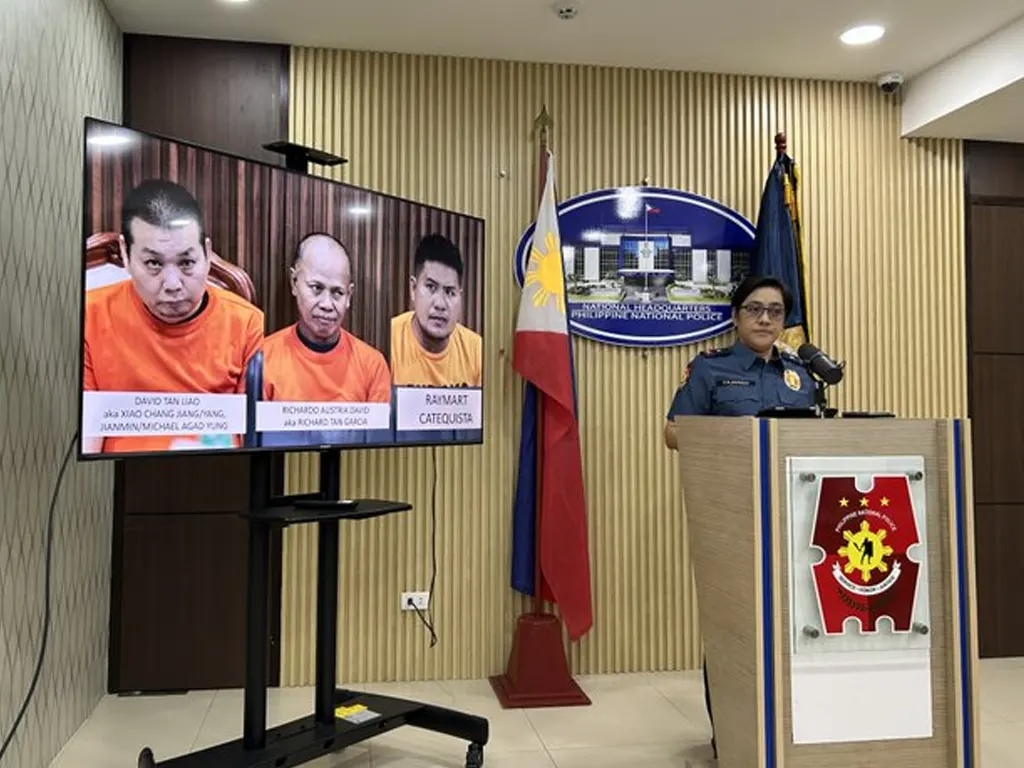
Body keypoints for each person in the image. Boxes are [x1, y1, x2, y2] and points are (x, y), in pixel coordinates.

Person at [663, 274, 817, 760]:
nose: (765, 319)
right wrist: (733, 440)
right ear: (736, 316)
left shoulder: (801, 374)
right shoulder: (711, 369)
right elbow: (672, 432)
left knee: (796, 630)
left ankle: (788, 732)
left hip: (799, 524)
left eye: (775, 311)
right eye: (754, 309)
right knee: (734, 630)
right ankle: (729, 734)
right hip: (734, 520)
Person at [82, 179, 263, 454]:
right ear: (125, 255)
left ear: (206, 253)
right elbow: (86, 441)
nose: (173, 284)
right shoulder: (89, 315)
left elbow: (252, 443)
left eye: (186, 262)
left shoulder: (248, 324)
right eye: (153, 263)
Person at [261, 233, 392, 447]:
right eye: (316, 288)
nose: (327, 305)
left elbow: (376, 452)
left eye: (337, 292)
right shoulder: (263, 359)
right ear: (294, 283)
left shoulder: (373, 365)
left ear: (349, 296)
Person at [390, 234, 482, 388]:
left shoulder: (476, 351)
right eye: (431, 287)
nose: (440, 304)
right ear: (413, 288)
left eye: (450, 292)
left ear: (460, 296)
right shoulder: (389, 342)